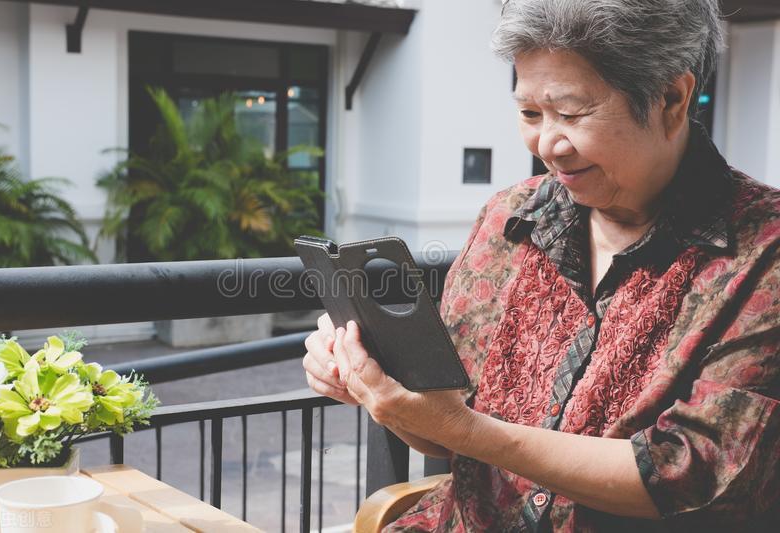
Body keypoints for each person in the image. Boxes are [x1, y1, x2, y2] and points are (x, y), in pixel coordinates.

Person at [303, 0, 780, 530]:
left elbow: (686, 468)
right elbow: (444, 420)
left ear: (672, 97)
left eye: (572, 114)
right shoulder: (510, 217)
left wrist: (467, 430)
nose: (546, 145)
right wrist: (378, 390)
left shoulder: (764, 250)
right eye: (530, 113)